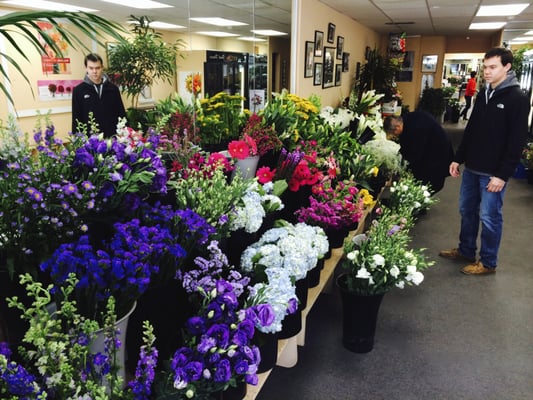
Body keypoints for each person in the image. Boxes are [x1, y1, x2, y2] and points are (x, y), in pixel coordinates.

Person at [439, 47, 529, 275]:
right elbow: (472, 130)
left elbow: (516, 141)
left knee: (489, 218)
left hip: (493, 173)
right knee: (466, 211)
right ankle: (466, 250)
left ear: (507, 67)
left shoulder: (517, 98)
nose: (487, 72)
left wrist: (502, 175)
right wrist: (458, 158)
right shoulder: (484, 94)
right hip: (472, 167)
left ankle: (488, 262)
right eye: (485, 67)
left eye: (492, 67)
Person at [383, 110, 454, 194]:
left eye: (393, 134)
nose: (395, 136)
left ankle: (421, 199)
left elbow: (414, 155)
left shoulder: (414, 129)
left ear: (397, 127)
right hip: (433, 146)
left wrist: (403, 170)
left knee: (429, 180)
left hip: (437, 152)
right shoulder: (408, 119)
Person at [72, 53, 126, 137]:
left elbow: (121, 113)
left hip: (113, 138)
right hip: (91, 141)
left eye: (97, 68)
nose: (94, 71)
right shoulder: (78, 91)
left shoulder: (113, 89)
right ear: (86, 68)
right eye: (91, 68)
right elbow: (76, 119)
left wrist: (125, 134)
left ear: (102, 68)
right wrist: (77, 140)